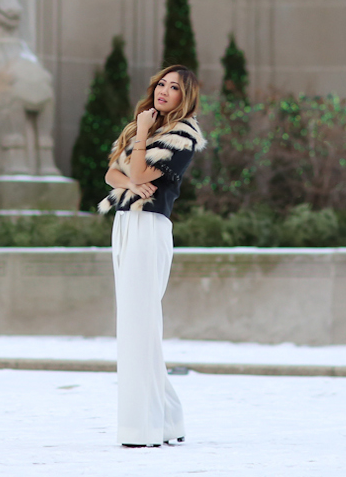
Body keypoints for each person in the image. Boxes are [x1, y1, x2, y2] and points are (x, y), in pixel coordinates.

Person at [98, 64, 207, 448]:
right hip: (125, 225)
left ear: (185, 96)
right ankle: (168, 419)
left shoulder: (183, 137)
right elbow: (114, 173)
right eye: (161, 83)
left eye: (173, 87)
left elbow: (144, 170)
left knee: (138, 327)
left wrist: (142, 135)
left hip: (150, 228)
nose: (163, 91)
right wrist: (130, 180)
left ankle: (141, 428)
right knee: (135, 327)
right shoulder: (144, 127)